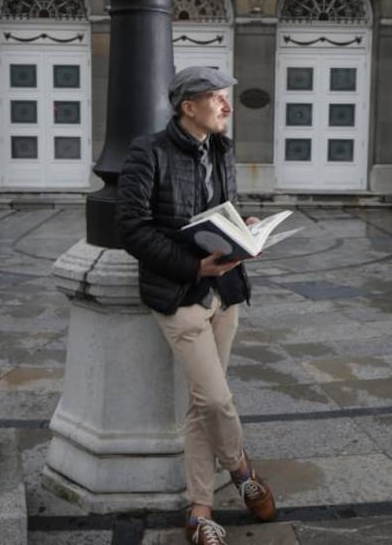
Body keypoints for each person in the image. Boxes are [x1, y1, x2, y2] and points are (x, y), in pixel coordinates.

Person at [116, 66, 276, 545]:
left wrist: (244, 226)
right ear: (189, 107)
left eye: (227, 98)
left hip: (226, 293)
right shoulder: (150, 151)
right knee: (215, 399)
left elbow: (221, 208)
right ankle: (243, 471)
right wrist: (193, 268)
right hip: (180, 294)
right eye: (218, 99)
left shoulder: (221, 148)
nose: (227, 106)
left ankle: (200, 510)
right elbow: (132, 227)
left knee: (201, 407)